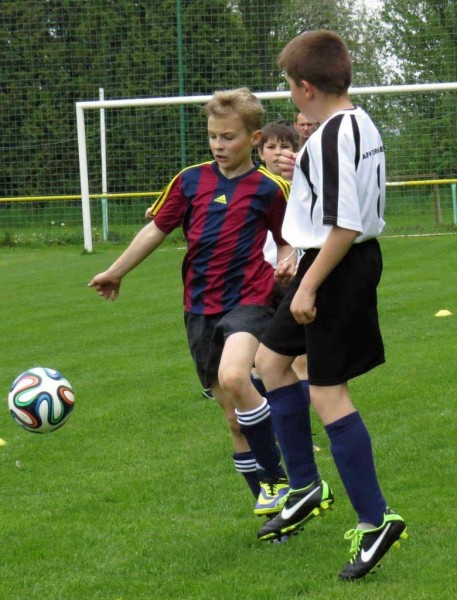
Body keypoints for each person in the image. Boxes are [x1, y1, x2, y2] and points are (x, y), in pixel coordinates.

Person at [89, 88, 297, 517]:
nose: (218, 145)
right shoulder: (189, 181)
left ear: (254, 138)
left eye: (228, 137)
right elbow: (155, 230)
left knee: (236, 376)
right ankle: (273, 507)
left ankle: (279, 479)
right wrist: (116, 271)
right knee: (234, 420)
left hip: (250, 299)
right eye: (213, 136)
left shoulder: (270, 188)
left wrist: (288, 260)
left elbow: (287, 238)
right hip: (199, 307)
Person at [254, 31, 407, 580]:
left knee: (326, 391)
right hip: (327, 260)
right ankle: (305, 485)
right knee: (270, 363)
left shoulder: (330, 137)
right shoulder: (361, 122)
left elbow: (345, 225)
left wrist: (309, 285)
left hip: (337, 267)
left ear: (305, 87)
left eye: (289, 86)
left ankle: (376, 519)